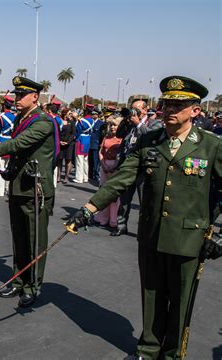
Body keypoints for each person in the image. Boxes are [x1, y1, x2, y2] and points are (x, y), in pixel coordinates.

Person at [67, 76, 221, 359]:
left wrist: (219, 232)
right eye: (167, 104)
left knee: (180, 300)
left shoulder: (211, 146)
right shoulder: (149, 141)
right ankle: (148, 349)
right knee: (151, 295)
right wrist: (89, 208)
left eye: (179, 104)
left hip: (189, 238)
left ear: (195, 110)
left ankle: (173, 354)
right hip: (151, 234)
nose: (170, 110)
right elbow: (122, 179)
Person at [0, 76, 59, 307]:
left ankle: (33, 285)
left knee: (34, 240)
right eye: (16, 94)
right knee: (19, 238)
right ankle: (18, 280)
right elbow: (19, 154)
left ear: (35, 97)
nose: (16, 98)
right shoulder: (20, 118)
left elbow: (17, 145)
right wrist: (10, 171)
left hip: (35, 190)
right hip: (19, 185)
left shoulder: (43, 121)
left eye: (21, 95)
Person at [112, 98, 163, 236]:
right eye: (132, 109)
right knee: (124, 200)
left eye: (137, 110)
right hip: (128, 165)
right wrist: (126, 120)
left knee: (144, 201)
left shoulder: (155, 123)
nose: (134, 112)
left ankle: (145, 230)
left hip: (144, 167)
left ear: (146, 110)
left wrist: (139, 124)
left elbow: (150, 137)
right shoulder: (130, 123)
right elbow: (119, 134)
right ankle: (121, 225)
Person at [93, 115, 122, 229]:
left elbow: (121, 155)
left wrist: (114, 166)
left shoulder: (122, 139)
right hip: (104, 166)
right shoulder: (106, 137)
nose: (112, 127)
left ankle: (114, 220)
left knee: (115, 195)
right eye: (111, 125)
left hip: (116, 167)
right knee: (104, 193)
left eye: (115, 125)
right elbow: (101, 152)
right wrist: (103, 164)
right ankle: (103, 218)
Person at [73, 104, 95, 183]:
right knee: (86, 160)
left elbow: (78, 130)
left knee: (79, 160)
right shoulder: (92, 120)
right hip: (88, 139)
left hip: (81, 139)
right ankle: (85, 177)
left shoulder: (82, 121)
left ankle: (79, 178)